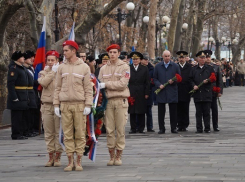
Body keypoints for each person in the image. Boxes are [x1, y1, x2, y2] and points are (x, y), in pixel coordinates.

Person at [53, 40, 93, 172]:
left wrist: (88, 104)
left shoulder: (84, 67)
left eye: (66, 50)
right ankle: (70, 161)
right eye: (63, 50)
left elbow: (88, 88)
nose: (63, 53)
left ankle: (79, 161)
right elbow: (57, 87)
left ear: (73, 51)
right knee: (68, 134)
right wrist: (56, 104)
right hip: (65, 104)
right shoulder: (61, 67)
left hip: (79, 105)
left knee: (80, 134)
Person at [98, 44, 130, 166]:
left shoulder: (125, 67)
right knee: (109, 129)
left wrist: (107, 85)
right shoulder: (103, 69)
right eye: (110, 52)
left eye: (114, 52)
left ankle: (119, 155)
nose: (112, 54)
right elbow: (99, 83)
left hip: (120, 100)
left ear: (118, 53)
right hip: (108, 101)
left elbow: (123, 84)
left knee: (120, 129)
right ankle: (111, 155)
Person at [38, 50, 63, 167]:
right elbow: (43, 83)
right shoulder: (43, 72)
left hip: (59, 104)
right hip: (47, 104)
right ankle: (50, 156)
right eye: (48, 60)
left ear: (57, 61)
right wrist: (52, 73)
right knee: (48, 132)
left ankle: (58, 156)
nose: (50, 62)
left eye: (53, 60)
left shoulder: (62, 71)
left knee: (58, 132)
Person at [154, 50, 181, 134]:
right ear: (162, 56)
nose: (167, 58)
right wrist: (159, 85)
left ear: (170, 56)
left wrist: (174, 81)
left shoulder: (175, 66)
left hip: (172, 91)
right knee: (161, 111)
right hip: (161, 91)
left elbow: (179, 78)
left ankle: (173, 128)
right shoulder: (158, 66)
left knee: (173, 111)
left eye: (168, 56)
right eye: (165, 56)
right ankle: (162, 128)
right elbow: (154, 78)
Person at [189, 50, 215, 133]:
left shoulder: (210, 68)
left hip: (206, 92)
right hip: (197, 93)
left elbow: (213, 79)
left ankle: (207, 128)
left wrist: (208, 81)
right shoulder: (193, 69)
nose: (202, 59)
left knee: (207, 112)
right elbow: (190, 79)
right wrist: (193, 86)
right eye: (201, 58)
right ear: (197, 59)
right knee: (198, 112)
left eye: (204, 58)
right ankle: (199, 128)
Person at [7, 51, 29, 140]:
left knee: (21, 116)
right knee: (17, 117)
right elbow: (10, 84)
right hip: (17, 95)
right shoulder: (14, 68)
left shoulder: (21, 68)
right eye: (22, 57)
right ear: (17, 59)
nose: (24, 58)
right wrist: (14, 97)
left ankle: (20, 132)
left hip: (23, 95)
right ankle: (16, 134)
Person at [128, 51, 150, 134]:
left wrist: (147, 93)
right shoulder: (128, 68)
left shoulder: (144, 68)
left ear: (140, 60)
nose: (135, 61)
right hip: (131, 90)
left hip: (141, 90)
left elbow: (147, 82)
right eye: (134, 59)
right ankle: (133, 128)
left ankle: (141, 128)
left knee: (141, 110)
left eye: (137, 59)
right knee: (132, 110)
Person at [204, 50, 223, 132]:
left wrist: (220, 91)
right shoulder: (202, 66)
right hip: (204, 91)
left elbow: (219, 80)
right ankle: (206, 126)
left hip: (213, 90)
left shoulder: (215, 67)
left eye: (209, 57)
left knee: (214, 109)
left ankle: (215, 125)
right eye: (206, 57)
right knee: (205, 110)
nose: (208, 59)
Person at [22, 52, 37, 137]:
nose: (32, 59)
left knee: (32, 112)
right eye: (29, 58)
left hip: (32, 92)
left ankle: (31, 129)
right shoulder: (24, 69)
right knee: (28, 114)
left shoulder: (30, 68)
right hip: (27, 92)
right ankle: (27, 130)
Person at [176, 51, 192, 132]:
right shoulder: (175, 66)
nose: (181, 59)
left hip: (186, 90)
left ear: (186, 58)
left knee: (185, 108)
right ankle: (179, 124)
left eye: (183, 58)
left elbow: (191, 78)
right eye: (180, 58)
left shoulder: (189, 67)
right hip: (177, 90)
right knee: (178, 108)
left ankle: (185, 124)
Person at [141, 53, 155, 132]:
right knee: (140, 110)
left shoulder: (151, 68)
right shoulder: (139, 67)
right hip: (140, 91)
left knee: (149, 110)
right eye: (145, 59)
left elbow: (153, 78)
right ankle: (140, 126)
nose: (146, 61)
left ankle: (150, 126)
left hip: (149, 90)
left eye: (147, 59)